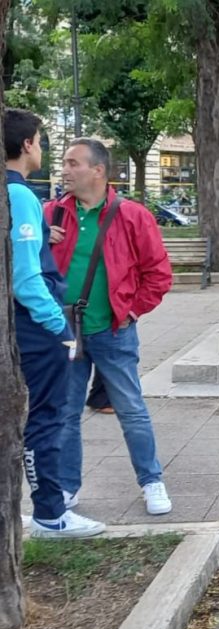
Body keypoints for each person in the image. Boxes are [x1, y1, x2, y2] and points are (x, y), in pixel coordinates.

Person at [47, 138, 174, 516]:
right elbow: (33, 268)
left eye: (73, 163)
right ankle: (68, 488)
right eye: (64, 163)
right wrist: (40, 241)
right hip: (64, 330)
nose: (64, 170)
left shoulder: (131, 215)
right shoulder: (51, 213)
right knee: (67, 412)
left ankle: (151, 481)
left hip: (113, 329)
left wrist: (131, 311)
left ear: (97, 170)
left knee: (131, 408)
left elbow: (158, 273)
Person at [7, 109, 106, 539]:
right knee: (45, 418)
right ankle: (51, 512)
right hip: (36, 326)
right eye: (42, 142)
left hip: (18, 326)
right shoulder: (22, 195)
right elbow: (25, 278)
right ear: (27, 144)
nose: (43, 150)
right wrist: (59, 327)